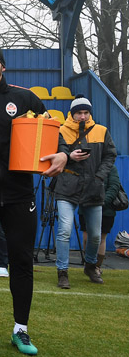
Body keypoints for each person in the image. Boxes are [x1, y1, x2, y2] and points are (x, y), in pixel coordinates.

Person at [0, 43, 68, 356]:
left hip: (20, 193)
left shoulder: (25, 98)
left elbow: (54, 133)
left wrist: (63, 153)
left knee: (21, 262)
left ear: (2, 66)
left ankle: (21, 329)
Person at [53, 95, 116, 288]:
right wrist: (69, 156)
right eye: (79, 113)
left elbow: (110, 155)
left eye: (86, 112)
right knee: (64, 231)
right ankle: (62, 272)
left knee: (95, 235)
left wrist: (99, 177)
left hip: (93, 187)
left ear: (90, 113)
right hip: (67, 185)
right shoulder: (60, 131)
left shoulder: (102, 131)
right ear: (72, 114)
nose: (82, 116)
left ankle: (90, 266)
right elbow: (55, 154)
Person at [79, 165, 123, 275]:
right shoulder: (86, 165)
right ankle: (88, 264)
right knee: (86, 238)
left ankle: (97, 267)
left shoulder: (111, 168)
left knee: (101, 238)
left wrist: (101, 203)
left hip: (106, 211)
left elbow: (114, 186)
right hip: (86, 206)